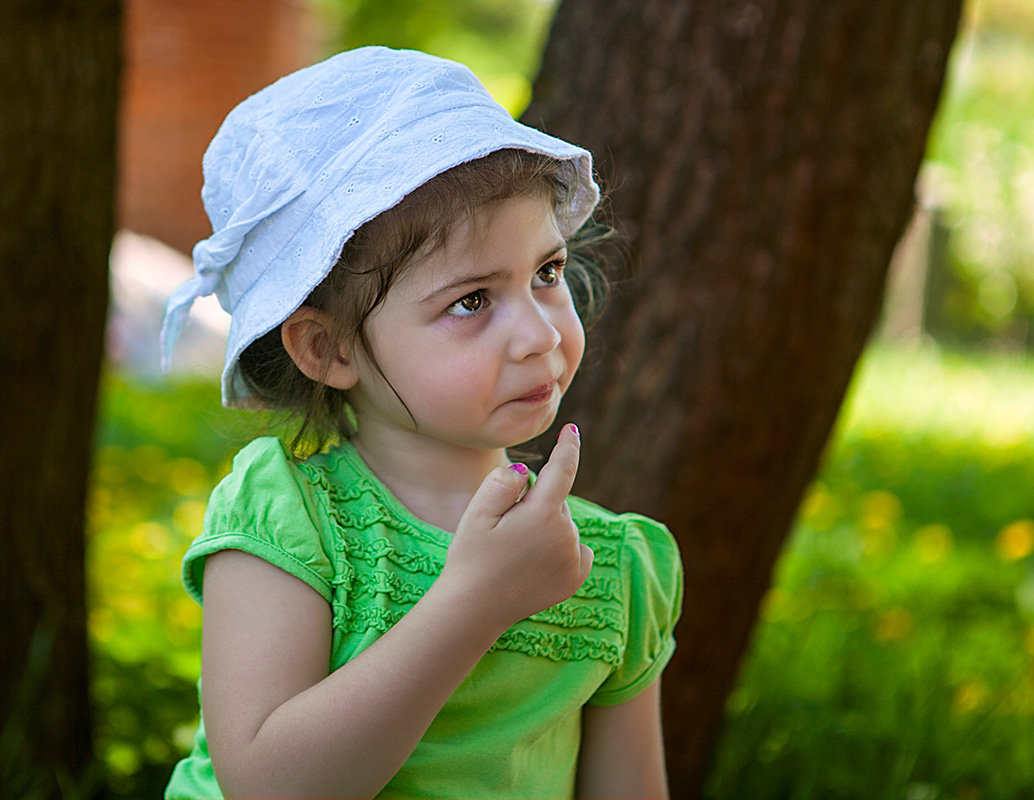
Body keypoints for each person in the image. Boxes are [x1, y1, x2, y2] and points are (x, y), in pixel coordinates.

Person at [158, 46, 682, 799]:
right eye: (471, 301)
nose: (539, 333)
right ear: (329, 348)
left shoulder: (612, 564)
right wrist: (476, 603)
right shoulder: (291, 519)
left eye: (547, 273)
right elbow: (271, 787)